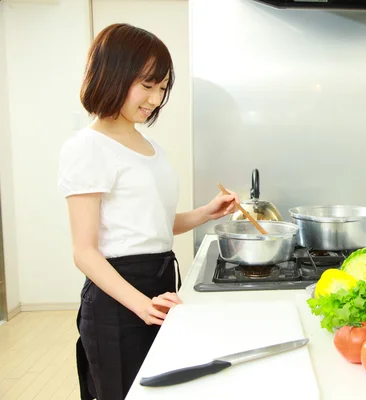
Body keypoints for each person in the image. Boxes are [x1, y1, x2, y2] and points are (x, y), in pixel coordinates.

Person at [57, 23, 239, 400]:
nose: (155, 98)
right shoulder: (87, 147)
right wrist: (142, 305)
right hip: (118, 300)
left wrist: (206, 212)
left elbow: (153, 224)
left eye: (162, 88)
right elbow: (85, 252)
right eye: (147, 85)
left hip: (158, 289)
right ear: (112, 73)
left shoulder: (150, 146)